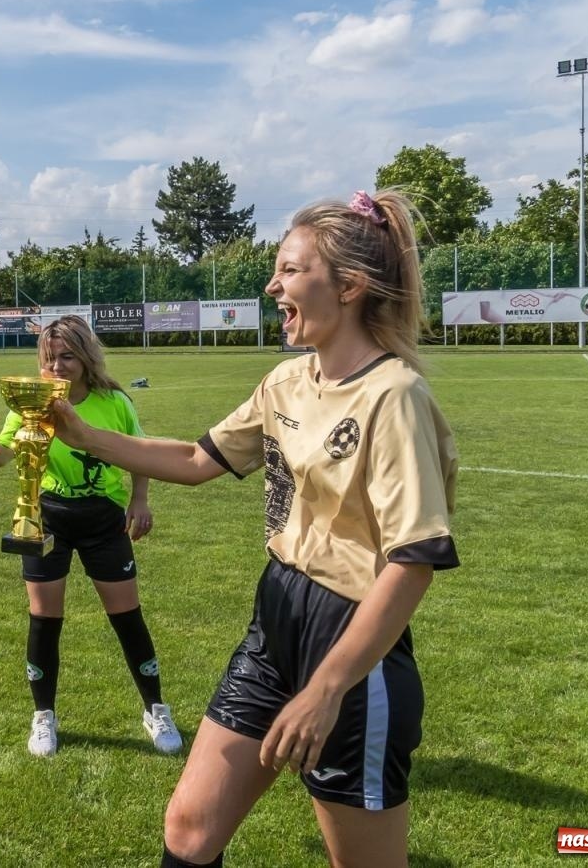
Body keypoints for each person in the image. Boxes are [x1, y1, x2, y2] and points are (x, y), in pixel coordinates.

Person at [51, 190, 459, 868]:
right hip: (276, 620)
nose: (273, 285)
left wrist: (327, 689)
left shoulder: (395, 395)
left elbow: (411, 561)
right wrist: (83, 433)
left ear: (351, 286)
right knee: (188, 828)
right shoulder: (284, 383)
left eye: (291, 271)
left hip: (355, 647)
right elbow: (193, 460)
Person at [0, 314, 183, 758]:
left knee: (127, 617)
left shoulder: (114, 401)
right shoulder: (29, 401)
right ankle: (44, 717)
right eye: (50, 358)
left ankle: (155, 708)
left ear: (87, 357)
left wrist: (140, 501)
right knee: (44, 619)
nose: (57, 367)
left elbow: (140, 453)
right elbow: (5, 452)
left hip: (103, 520)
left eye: (67, 357)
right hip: (45, 518)